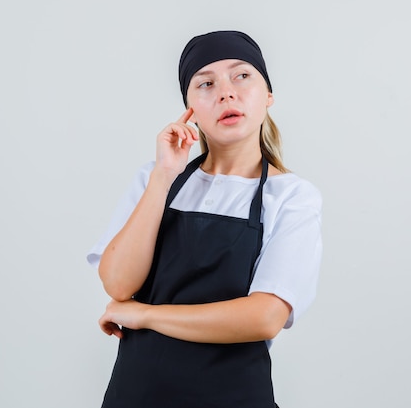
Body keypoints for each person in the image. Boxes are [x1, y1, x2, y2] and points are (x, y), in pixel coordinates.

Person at [86, 30, 322, 408]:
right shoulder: (156, 178)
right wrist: (164, 176)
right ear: (190, 109)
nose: (226, 92)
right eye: (206, 83)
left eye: (242, 75)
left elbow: (264, 317)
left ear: (269, 96)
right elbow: (117, 283)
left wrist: (145, 315)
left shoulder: (292, 196)